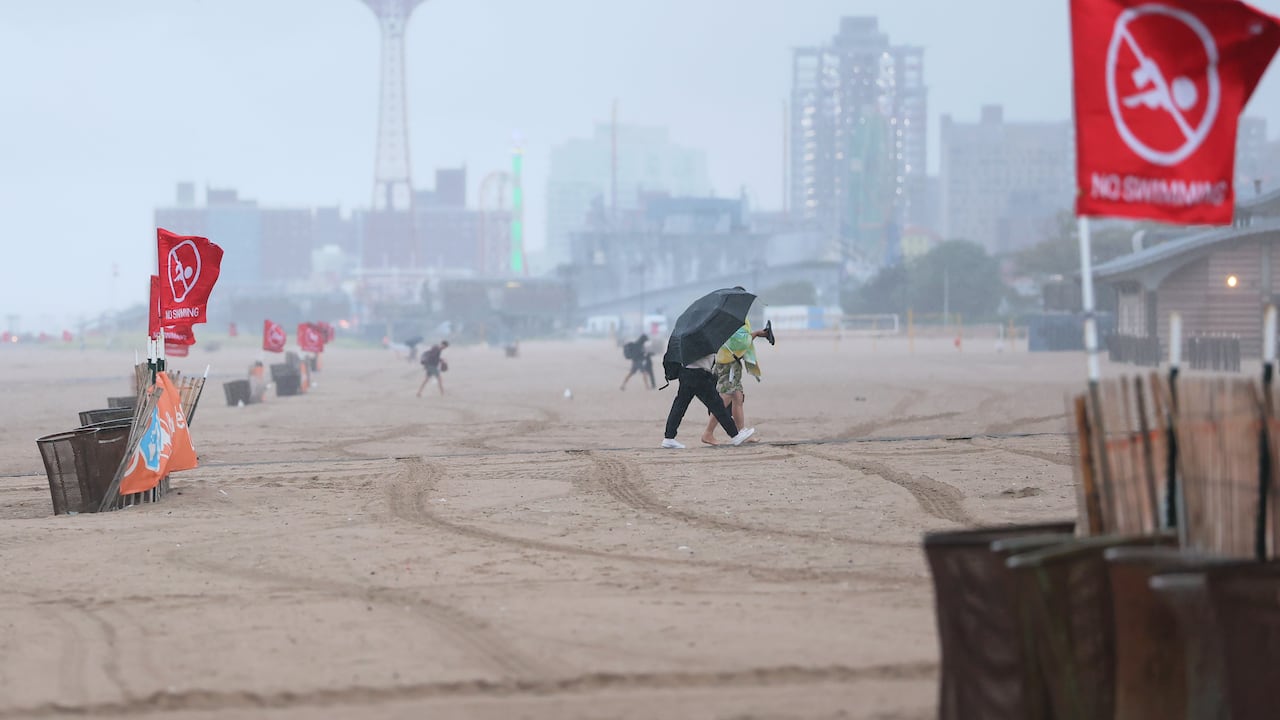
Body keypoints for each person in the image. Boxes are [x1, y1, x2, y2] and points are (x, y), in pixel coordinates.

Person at [661, 350, 754, 449]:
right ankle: (735, 435)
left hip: (686, 373)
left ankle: (669, 437)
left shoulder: (685, 342)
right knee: (717, 406)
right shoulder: (702, 340)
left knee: (679, 406)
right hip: (699, 375)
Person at [701, 324, 770, 445]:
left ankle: (742, 433)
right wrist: (757, 334)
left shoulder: (734, 319)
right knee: (725, 398)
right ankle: (708, 432)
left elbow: (741, 339)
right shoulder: (727, 322)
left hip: (732, 362)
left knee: (738, 397)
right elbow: (740, 342)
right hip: (728, 363)